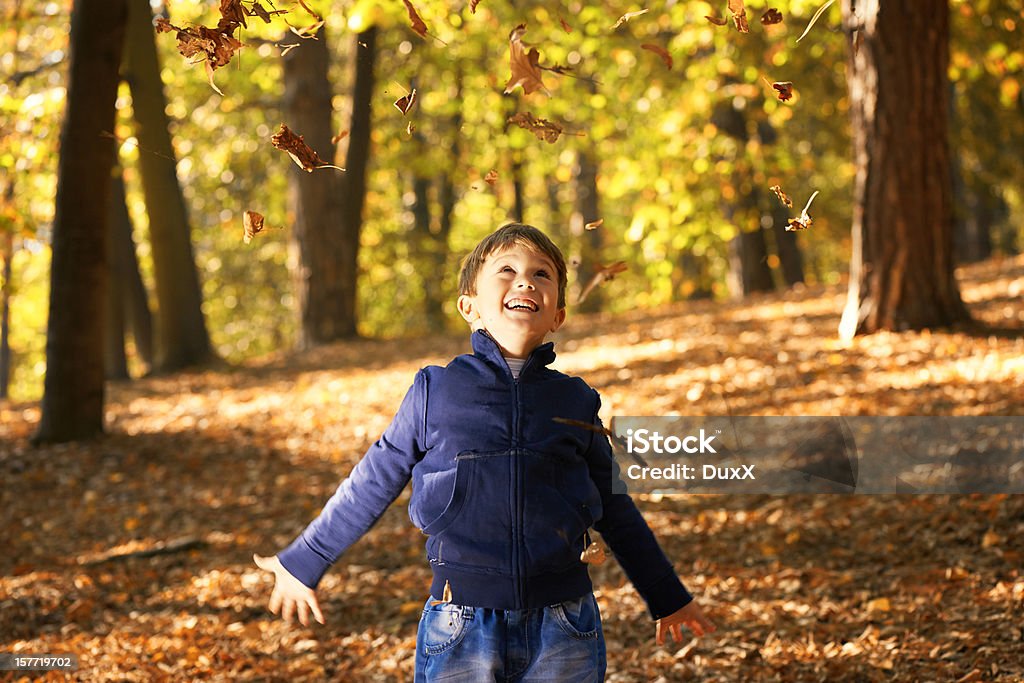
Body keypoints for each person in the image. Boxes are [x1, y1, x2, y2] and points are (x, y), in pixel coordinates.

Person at [255, 223, 714, 681]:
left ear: (558, 315)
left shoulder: (575, 400)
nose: (525, 281)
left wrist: (666, 595)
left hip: (564, 621)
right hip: (460, 619)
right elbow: (373, 480)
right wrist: (305, 560)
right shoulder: (436, 390)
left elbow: (614, 507)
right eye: (507, 270)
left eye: (542, 274)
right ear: (469, 306)